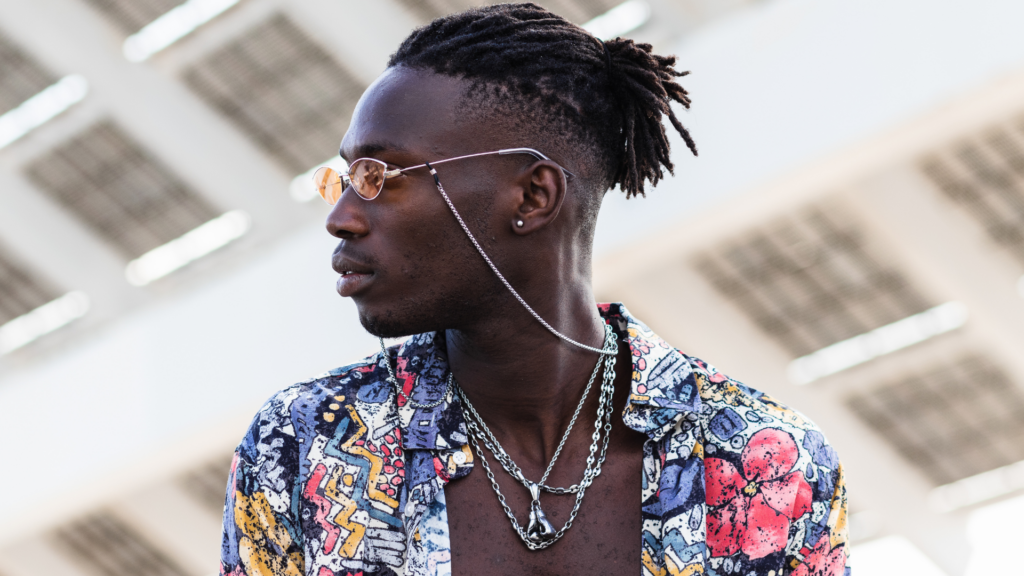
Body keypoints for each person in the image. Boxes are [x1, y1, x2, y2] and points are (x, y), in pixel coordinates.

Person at [219, 4, 850, 576]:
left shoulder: (760, 462)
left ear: (532, 196)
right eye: (346, 179)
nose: (342, 216)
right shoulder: (303, 447)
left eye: (381, 175)